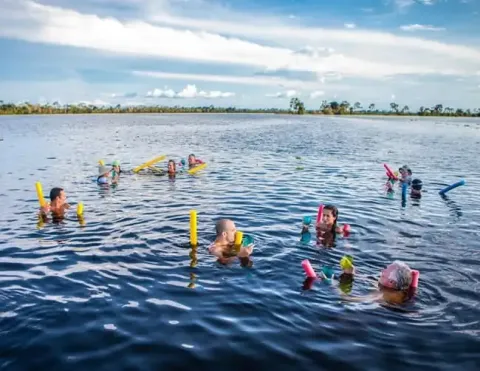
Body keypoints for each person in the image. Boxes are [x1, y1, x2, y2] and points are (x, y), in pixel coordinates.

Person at [340, 261, 416, 305]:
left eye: (385, 271)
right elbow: (374, 281)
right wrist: (352, 274)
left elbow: (346, 299)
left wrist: (335, 282)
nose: (382, 271)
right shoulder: (398, 289)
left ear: (391, 282)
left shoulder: (382, 295)